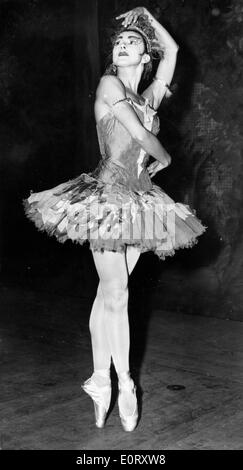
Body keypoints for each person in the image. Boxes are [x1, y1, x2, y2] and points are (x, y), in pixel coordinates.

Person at [23, 6, 207, 432]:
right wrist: (167, 156)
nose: (123, 44)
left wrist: (146, 16)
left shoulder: (150, 97)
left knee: (110, 293)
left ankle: (98, 378)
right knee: (118, 292)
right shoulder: (109, 84)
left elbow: (174, 52)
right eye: (119, 42)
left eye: (133, 42)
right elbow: (142, 136)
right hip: (106, 199)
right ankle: (124, 382)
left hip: (140, 202)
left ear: (145, 58)